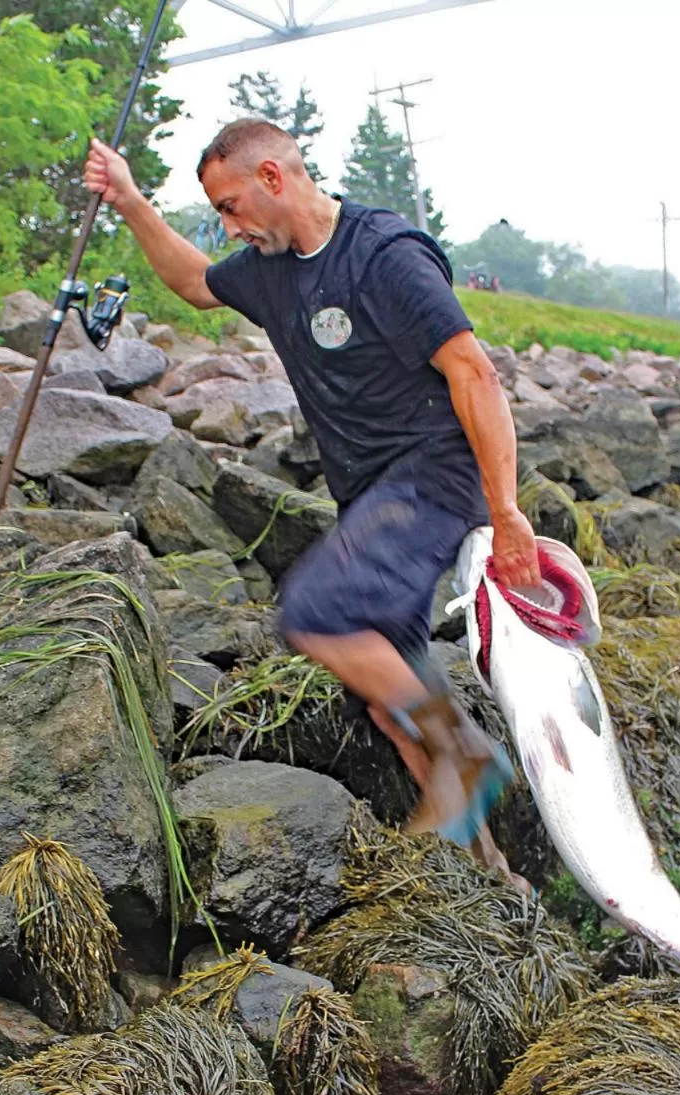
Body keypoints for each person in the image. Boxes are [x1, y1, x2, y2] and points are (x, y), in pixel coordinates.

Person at [84, 120, 540, 893]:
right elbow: (195, 282)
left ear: (272, 176)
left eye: (230, 207)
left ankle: (462, 754)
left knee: (318, 613)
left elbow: (474, 374)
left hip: (433, 473)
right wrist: (130, 203)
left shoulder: (381, 255)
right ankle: (488, 872)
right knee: (389, 688)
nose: (228, 228)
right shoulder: (270, 268)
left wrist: (507, 512)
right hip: (368, 493)